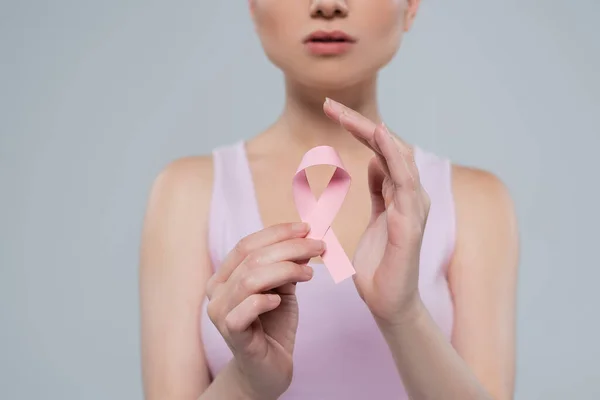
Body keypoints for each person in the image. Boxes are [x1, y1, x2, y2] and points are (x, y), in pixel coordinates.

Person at [139, 0, 519, 399]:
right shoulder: (185, 193)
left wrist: (403, 315)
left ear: (409, 7)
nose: (328, 5)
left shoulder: (476, 202)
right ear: (252, 5)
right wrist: (249, 379)